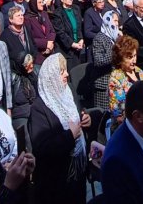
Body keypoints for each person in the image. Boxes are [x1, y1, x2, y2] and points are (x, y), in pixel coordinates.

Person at [29, 53, 89, 204]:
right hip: (56, 184)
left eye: (66, 70)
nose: (67, 74)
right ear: (51, 77)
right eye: (62, 72)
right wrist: (70, 136)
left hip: (77, 176)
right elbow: (42, 148)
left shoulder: (68, 93)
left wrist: (85, 118)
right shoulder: (39, 108)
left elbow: (78, 115)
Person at [107, 35, 143, 129]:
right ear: (120, 58)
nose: (134, 60)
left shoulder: (139, 71)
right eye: (130, 57)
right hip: (126, 125)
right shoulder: (116, 78)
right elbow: (118, 113)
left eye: (135, 56)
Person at [90, 11, 119, 110]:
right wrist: (114, 51)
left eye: (117, 21)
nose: (117, 24)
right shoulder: (99, 38)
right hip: (104, 84)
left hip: (116, 82)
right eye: (115, 21)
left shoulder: (115, 37)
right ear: (108, 21)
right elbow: (98, 60)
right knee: (104, 115)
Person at [50, 0, 85, 71]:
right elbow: (61, 33)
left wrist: (81, 39)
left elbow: (79, 26)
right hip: (66, 50)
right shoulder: (57, 13)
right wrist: (72, 44)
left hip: (78, 47)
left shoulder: (76, 8)